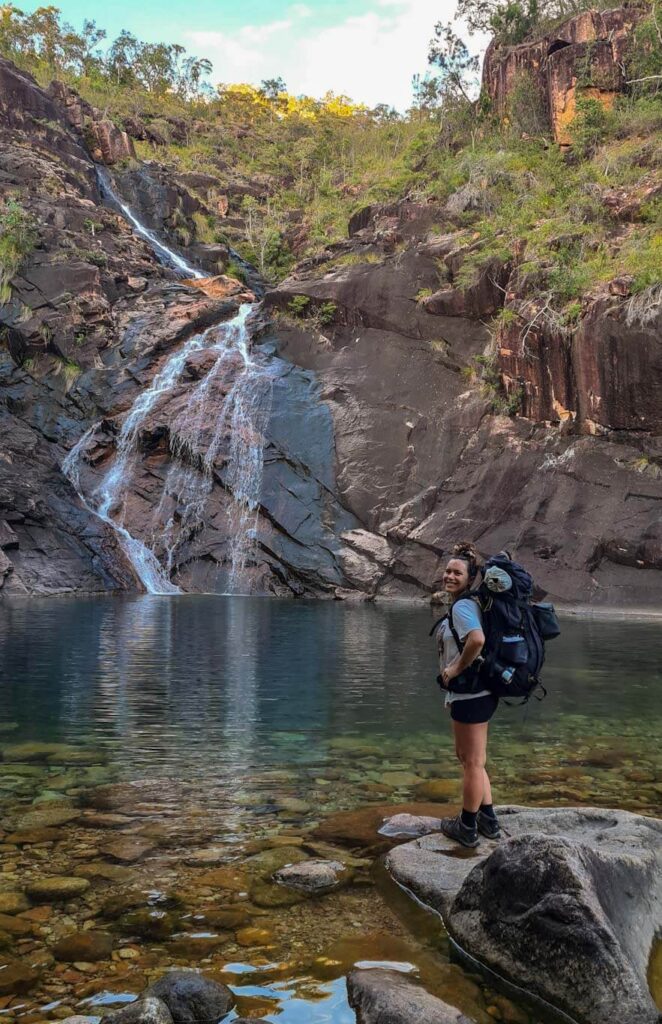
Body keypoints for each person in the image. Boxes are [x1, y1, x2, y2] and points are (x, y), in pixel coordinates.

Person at [434, 541, 501, 847]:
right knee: (473, 759)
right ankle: (488, 819)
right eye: (447, 571)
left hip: (471, 693)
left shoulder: (463, 606)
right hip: (480, 692)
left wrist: (455, 669)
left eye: (456, 572)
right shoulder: (472, 603)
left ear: (470, 577)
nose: (449, 576)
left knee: (471, 762)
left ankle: (467, 827)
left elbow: (477, 640)